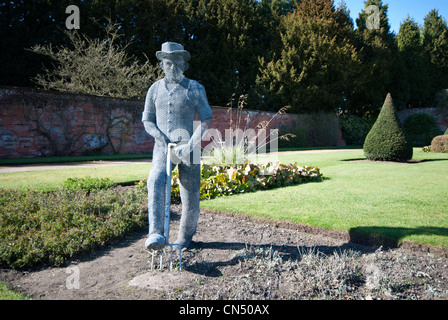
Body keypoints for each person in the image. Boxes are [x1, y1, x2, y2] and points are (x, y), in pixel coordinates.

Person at [142, 42, 212, 250]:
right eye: (168, 63)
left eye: (177, 63)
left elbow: (206, 119)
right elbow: (147, 120)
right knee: (155, 180)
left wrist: (191, 144)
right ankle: (155, 234)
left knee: (189, 194)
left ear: (184, 65)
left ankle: (184, 237)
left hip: (189, 149)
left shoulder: (195, 88)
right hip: (162, 148)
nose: (172, 67)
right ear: (162, 65)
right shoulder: (154, 89)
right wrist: (159, 137)